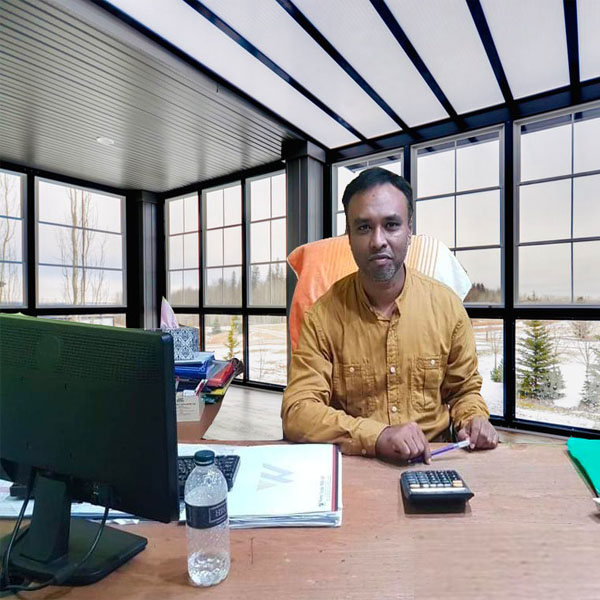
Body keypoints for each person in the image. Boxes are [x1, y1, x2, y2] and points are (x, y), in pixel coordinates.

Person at [281, 167, 498, 464]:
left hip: (436, 461)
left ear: (409, 231)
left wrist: (473, 419)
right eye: (363, 227)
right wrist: (377, 436)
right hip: (356, 464)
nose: (378, 241)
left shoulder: (447, 307)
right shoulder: (322, 317)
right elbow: (298, 412)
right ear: (348, 236)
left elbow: (464, 391)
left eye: (391, 225)